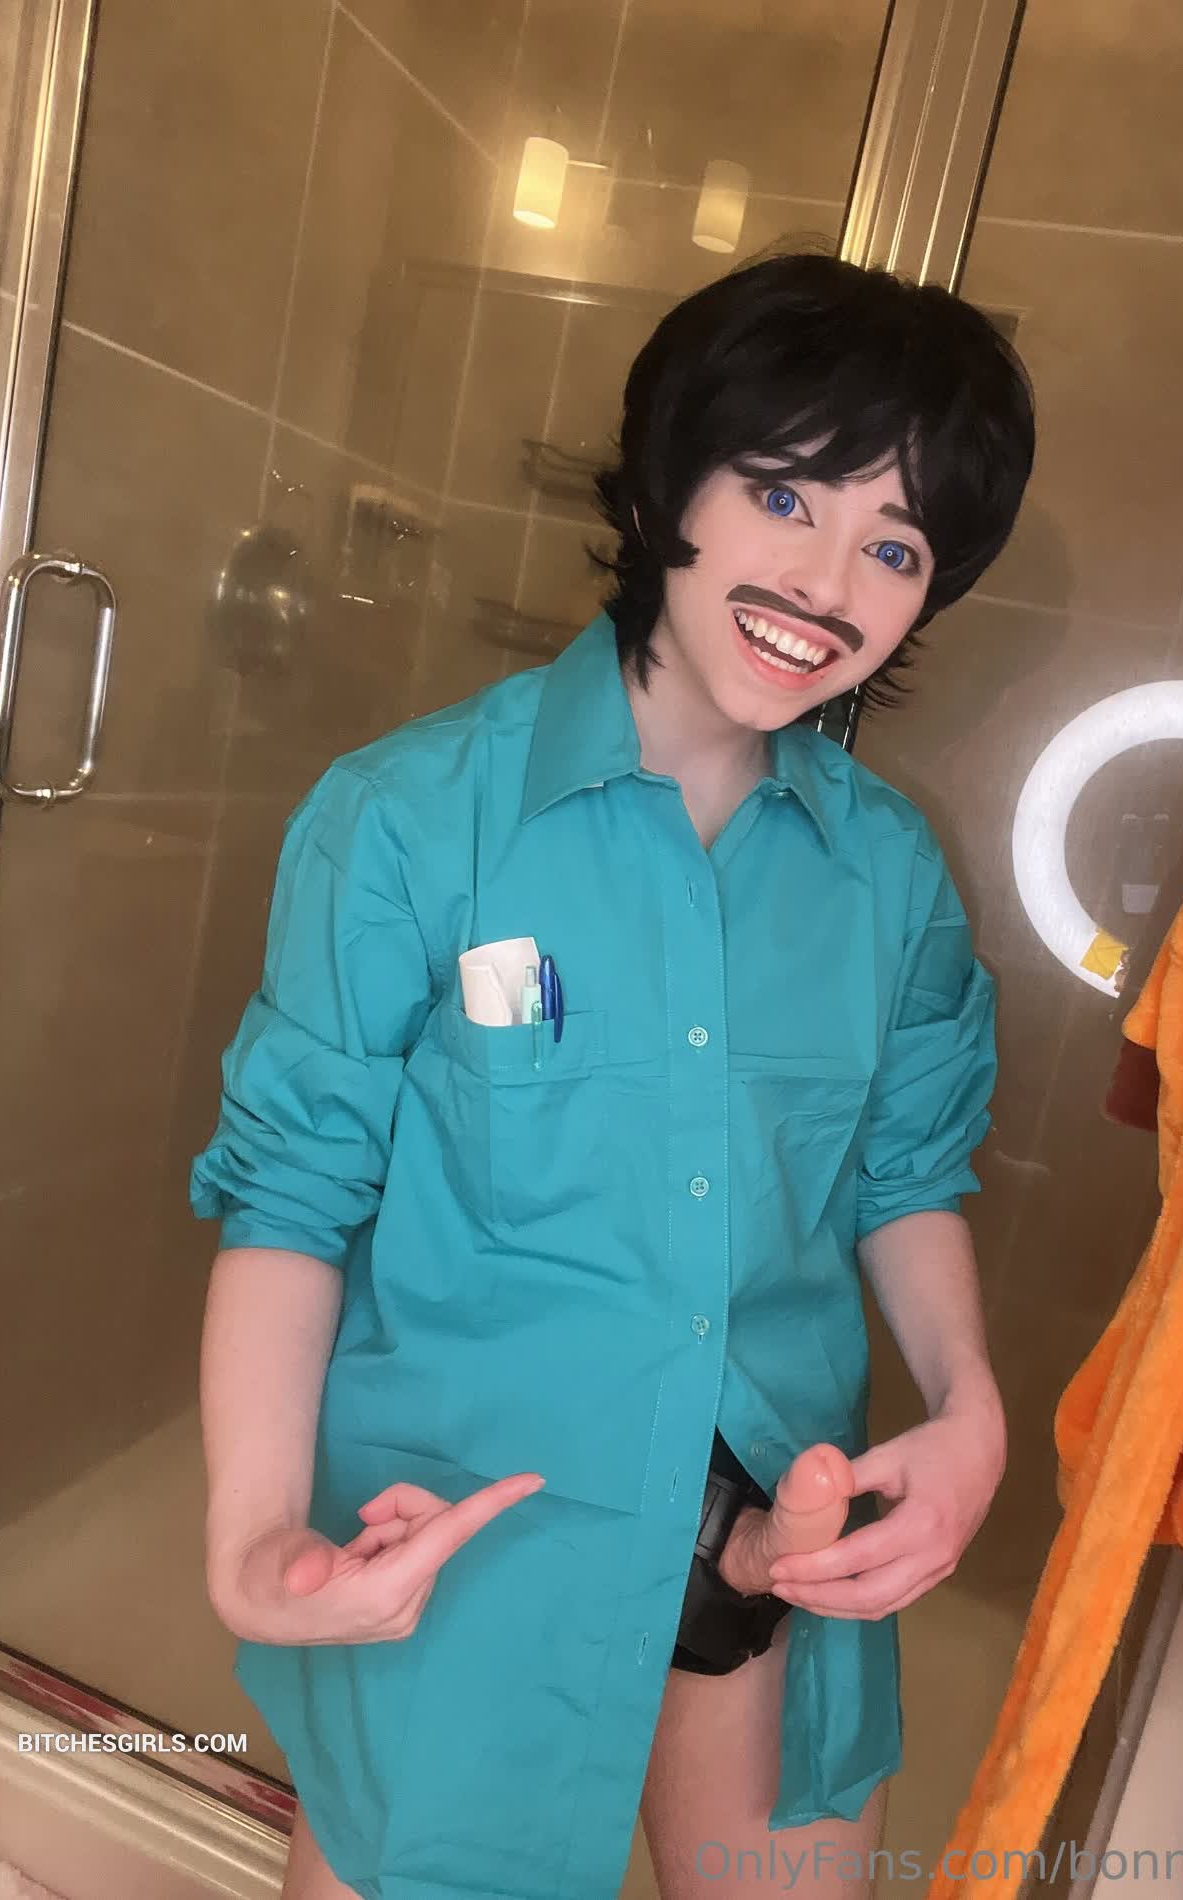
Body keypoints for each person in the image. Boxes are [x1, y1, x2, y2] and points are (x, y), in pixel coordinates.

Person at [191, 250, 1035, 1900]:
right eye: (782, 495)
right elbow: (291, 1199)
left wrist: (970, 1410)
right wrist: (250, 1532)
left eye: (893, 546)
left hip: (781, 1523)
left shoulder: (888, 873)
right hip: (467, 1532)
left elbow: (904, 1175)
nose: (827, 581)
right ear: (665, 487)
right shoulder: (408, 819)